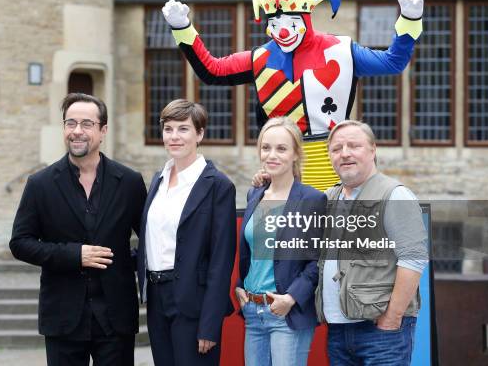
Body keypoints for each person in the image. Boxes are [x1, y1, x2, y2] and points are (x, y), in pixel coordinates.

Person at [162, 0, 424, 191]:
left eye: (290, 21)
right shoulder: (260, 58)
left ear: (305, 18)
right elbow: (213, 71)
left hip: (337, 169)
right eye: (274, 23)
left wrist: (410, 20)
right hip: (283, 173)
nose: (282, 31)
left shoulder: (342, 50)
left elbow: (393, 62)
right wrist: (183, 28)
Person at [9, 93, 147, 366]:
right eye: (70, 123)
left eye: (86, 124)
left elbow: (150, 239)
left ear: (103, 130)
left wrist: (125, 260)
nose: (77, 131)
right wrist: (75, 255)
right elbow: (20, 242)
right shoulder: (40, 184)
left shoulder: (130, 182)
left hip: (116, 317)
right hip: (62, 317)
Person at [315, 120, 428, 365]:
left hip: (382, 332)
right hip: (338, 331)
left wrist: (392, 317)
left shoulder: (395, 194)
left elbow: (414, 257)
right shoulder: (329, 197)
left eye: (353, 146)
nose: (344, 153)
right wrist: (265, 183)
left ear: (373, 150)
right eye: (336, 149)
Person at [137, 99, 237, 366]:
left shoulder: (218, 185)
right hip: (157, 299)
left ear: (200, 134)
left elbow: (221, 260)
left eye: (183, 129)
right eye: (168, 129)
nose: (174, 136)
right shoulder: (158, 179)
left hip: (194, 303)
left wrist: (210, 325)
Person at [235, 117, 326, 366]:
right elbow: (253, 252)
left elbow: (318, 261)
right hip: (253, 312)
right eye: (266, 147)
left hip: (287, 314)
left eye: (281, 148)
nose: (271, 155)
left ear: (296, 153)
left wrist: (291, 298)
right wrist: (240, 287)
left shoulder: (312, 199)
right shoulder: (255, 194)